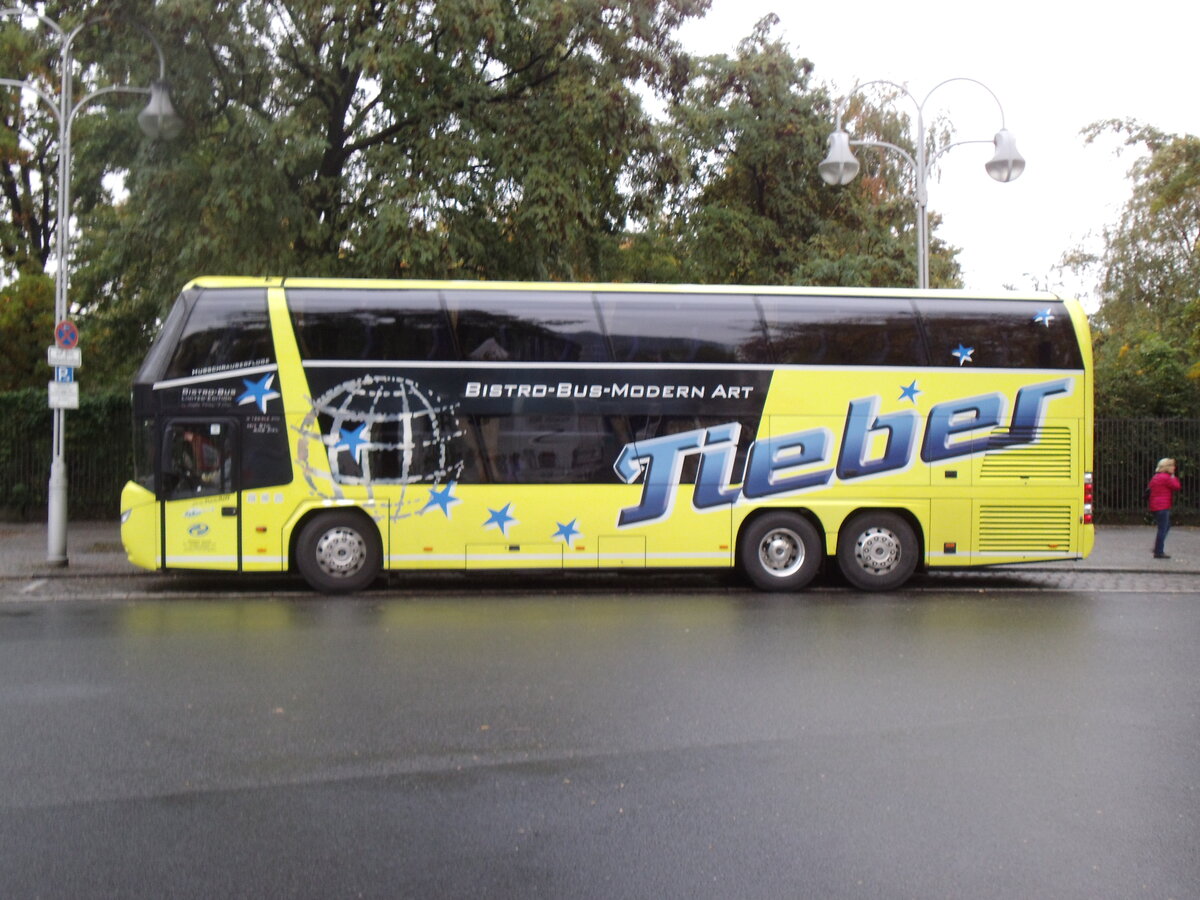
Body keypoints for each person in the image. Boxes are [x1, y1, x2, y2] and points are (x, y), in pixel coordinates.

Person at [1147, 458, 1182, 558]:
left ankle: (1157, 546)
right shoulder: (1167, 478)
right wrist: (1173, 476)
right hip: (1163, 506)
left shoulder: (1156, 477)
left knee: (1166, 526)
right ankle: (1158, 552)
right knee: (1163, 528)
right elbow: (1177, 486)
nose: (1174, 467)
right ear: (1167, 467)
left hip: (1155, 506)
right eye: (1171, 465)